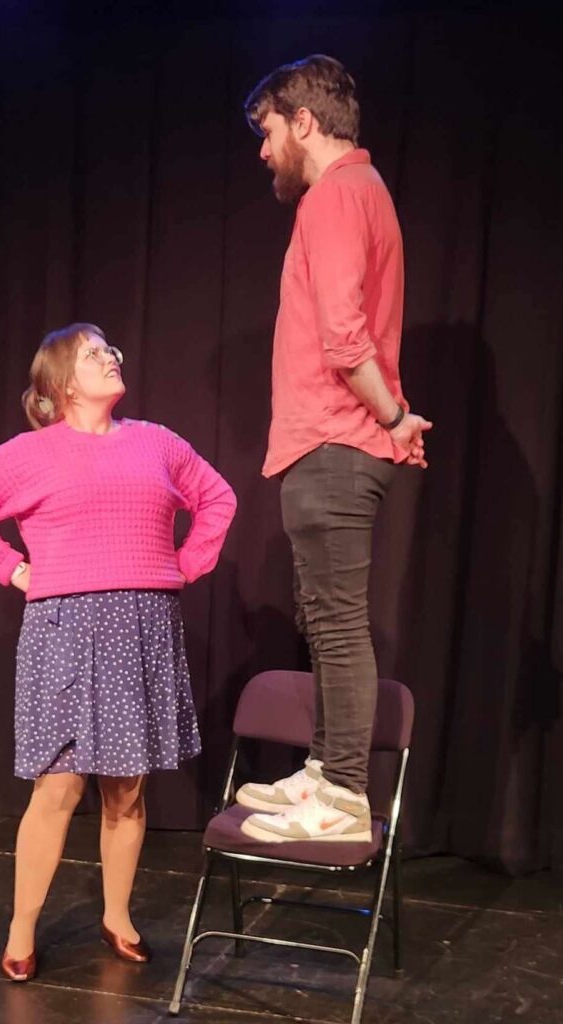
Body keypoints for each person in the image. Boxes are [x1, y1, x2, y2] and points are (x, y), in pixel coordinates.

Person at [0, 323, 236, 979]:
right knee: (59, 787)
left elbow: (216, 496)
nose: (110, 358)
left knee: (126, 790)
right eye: (93, 352)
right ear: (62, 381)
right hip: (66, 628)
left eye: (111, 350)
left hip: (143, 623)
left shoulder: (157, 443)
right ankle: (21, 928)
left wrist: (186, 563)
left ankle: (116, 916)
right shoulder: (26, 454)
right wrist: (13, 569)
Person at [235, 55, 431, 843]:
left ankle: (344, 792)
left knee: (339, 624)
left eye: (267, 130)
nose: (263, 150)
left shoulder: (335, 194)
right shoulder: (359, 192)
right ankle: (326, 770)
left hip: (334, 442)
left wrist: (389, 414)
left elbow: (344, 334)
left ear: (303, 122)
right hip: (329, 444)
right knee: (325, 620)